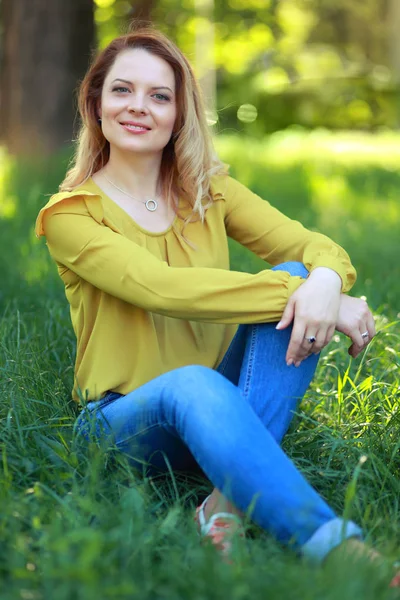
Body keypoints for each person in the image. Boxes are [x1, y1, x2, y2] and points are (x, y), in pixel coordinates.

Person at [35, 26, 397, 580]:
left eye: (160, 96)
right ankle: (335, 546)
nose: (139, 107)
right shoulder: (70, 215)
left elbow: (311, 245)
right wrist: (304, 293)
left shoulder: (210, 190)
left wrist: (324, 280)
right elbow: (161, 289)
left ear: (180, 114)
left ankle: (221, 506)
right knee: (207, 366)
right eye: (122, 91)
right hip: (123, 424)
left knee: (299, 274)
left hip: (224, 412)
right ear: (95, 104)